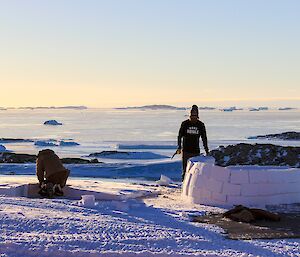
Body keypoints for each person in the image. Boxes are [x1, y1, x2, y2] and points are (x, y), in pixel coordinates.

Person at [177, 105, 209, 181]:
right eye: (192, 115)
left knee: (195, 171)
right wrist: (179, 147)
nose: (193, 117)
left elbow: (204, 138)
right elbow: (179, 136)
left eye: (195, 115)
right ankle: (184, 187)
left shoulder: (200, 125)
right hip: (186, 151)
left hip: (195, 151)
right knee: (185, 170)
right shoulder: (185, 124)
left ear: (197, 115)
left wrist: (206, 150)